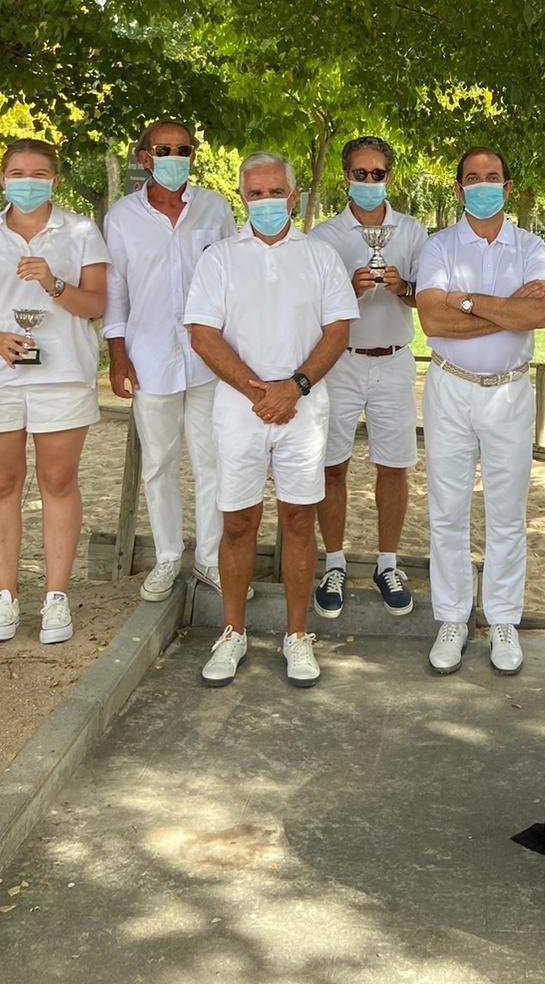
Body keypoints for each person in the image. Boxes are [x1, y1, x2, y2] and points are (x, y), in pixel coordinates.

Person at [184, 151, 358, 689]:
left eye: (273, 192)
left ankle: (297, 635)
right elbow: (202, 333)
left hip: (303, 407)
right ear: (243, 198)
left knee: (298, 520)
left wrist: (295, 387)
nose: (265, 202)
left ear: (293, 193)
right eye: (254, 193)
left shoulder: (321, 255)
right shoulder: (219, 258)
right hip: (240, 408)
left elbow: (337, 332)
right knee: (237, 521)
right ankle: (232, 633)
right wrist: (257, 391)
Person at [0, 139, 110, 646]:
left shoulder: (79, 230)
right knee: (1, 484)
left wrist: (54, 285)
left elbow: (95, 304)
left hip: (61, 374)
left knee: (58, 481)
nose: (26, 181)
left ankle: (56, 597)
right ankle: (6, 596)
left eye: (38, 173)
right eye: (16, 172)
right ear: (2, 179)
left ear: (54, 180)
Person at [415, 147, 545, 676]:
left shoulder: (532, 246)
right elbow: (432, 320)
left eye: (492, 177)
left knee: (506, 512)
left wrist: (466, 299)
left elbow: (539, 312)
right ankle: (452, 617)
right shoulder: (440, 244)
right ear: (457, 189)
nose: (482, 185)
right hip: (450, 388)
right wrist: (503, 309)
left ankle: (502, 619)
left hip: (509, 392)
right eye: (471, 178)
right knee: (447, 510)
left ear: (508, 186)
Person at [103, 120, 237, 602]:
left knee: (211, 460)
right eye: (164, 149)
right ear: (145, 157)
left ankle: (208, 558)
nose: (174, 157)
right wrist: (117, 353)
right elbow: (116, 287)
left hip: (208, 359)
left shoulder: (215, 208)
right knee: (158, 463)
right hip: (150, 355)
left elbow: (231, 274)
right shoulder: (122, 217)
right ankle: (166, 557)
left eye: (183, 149)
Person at [309, 136, 428, 619]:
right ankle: (334, 562)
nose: (369, 182)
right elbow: (312, 310)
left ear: (389, 177)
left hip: (396, 358)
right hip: (340, 361)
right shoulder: (323, 236)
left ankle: (386, 563)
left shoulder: (413, 230)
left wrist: (403, 288)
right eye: (361, 174)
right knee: (333, 464)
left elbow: (428, 299)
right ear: (345, 178)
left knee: (393, 465)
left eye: (378, 174)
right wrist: (348, 292)